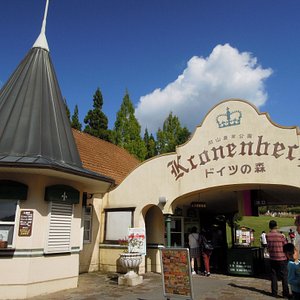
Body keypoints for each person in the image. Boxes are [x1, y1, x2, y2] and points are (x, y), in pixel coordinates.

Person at [266, 220, 290, 298]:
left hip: (272, 258)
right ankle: (285, 293)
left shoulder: (267, 235)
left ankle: (274, 292)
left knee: (273, 276)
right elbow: (286, 247)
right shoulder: (281, 236)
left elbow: (268, 246)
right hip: (282, 258)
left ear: (269, 226)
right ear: (276, 226)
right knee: (284, 276)